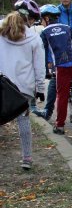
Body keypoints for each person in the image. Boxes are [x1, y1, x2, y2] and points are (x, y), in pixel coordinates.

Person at [0, 10, 45, 170]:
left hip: (3, 85)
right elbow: (39, 66)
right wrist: (40, 89)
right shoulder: (34, 38)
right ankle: (27, 158)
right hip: (24, 88)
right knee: (23, 121)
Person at [39, 4, 72, 135]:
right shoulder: (67, 28)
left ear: (46, 18)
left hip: (61, 67)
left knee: (62, 96)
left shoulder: (44, 33)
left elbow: (44, 53)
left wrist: (47, 71)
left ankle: (60, 126)